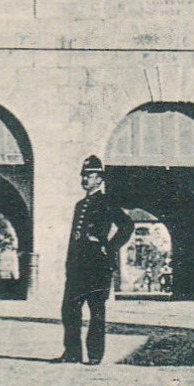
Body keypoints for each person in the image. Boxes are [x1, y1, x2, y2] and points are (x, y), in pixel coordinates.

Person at [57, 155, 133, 365]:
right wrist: (69, 264)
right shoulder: (80, 205)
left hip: (97, 266)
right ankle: (72, 353)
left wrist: (109, 247)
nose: (84, 179)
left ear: (99, 179)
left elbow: (127, 225)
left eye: (89, 175)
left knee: (96, 311)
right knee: (69, 309)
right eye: (83, 175)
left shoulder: (107, 202)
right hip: (77, 267)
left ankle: (94, 355)